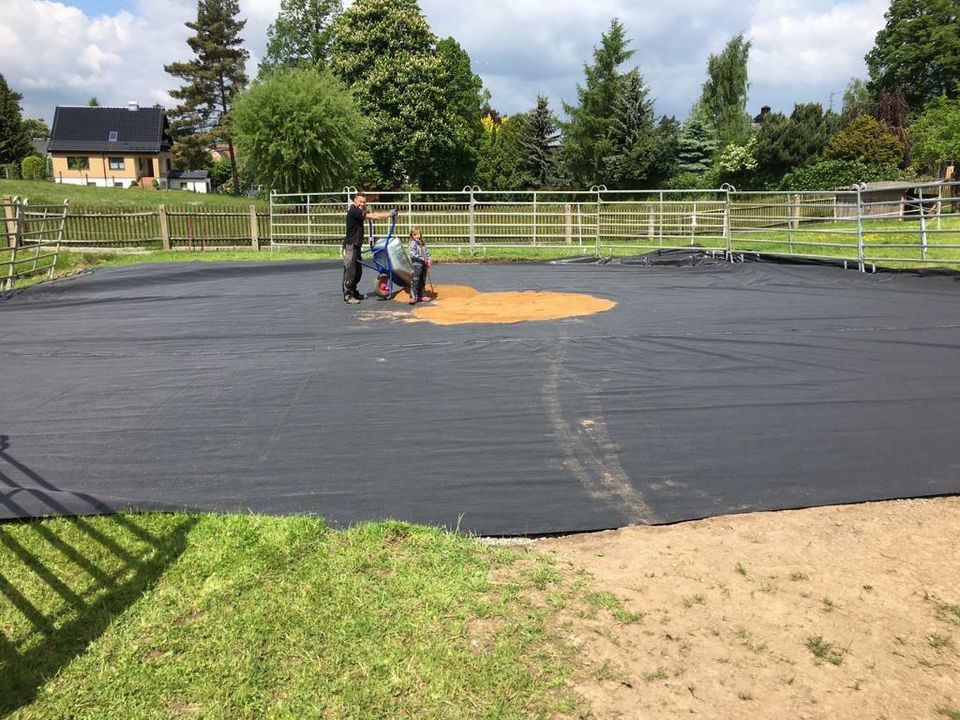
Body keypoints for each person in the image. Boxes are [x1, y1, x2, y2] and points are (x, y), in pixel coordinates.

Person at [342, 193, 395, 304]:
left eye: (364, 202)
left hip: (356, 245)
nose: (362, 204)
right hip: (351, 245)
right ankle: (348, 295)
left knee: (358, 271)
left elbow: (369, 215)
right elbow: (373, 217)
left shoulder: (358, 211)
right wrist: (389, 214)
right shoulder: (354, 211)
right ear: (355, 201)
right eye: (360, 202)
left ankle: (354, 291)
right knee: (351, 271)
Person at [407, 227, 432, 305]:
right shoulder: (412, 244)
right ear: (412, 236)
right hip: (416, 265)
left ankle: (422, 295)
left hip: (423, 265)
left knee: (422, 280)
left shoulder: (422, 243)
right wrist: (422, 258)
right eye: (415, 235)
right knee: (415, 280)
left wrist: (429, 259)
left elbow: (427, 252)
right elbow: (412, 255)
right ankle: (413, 297)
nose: (417, 236)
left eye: (418, 234)